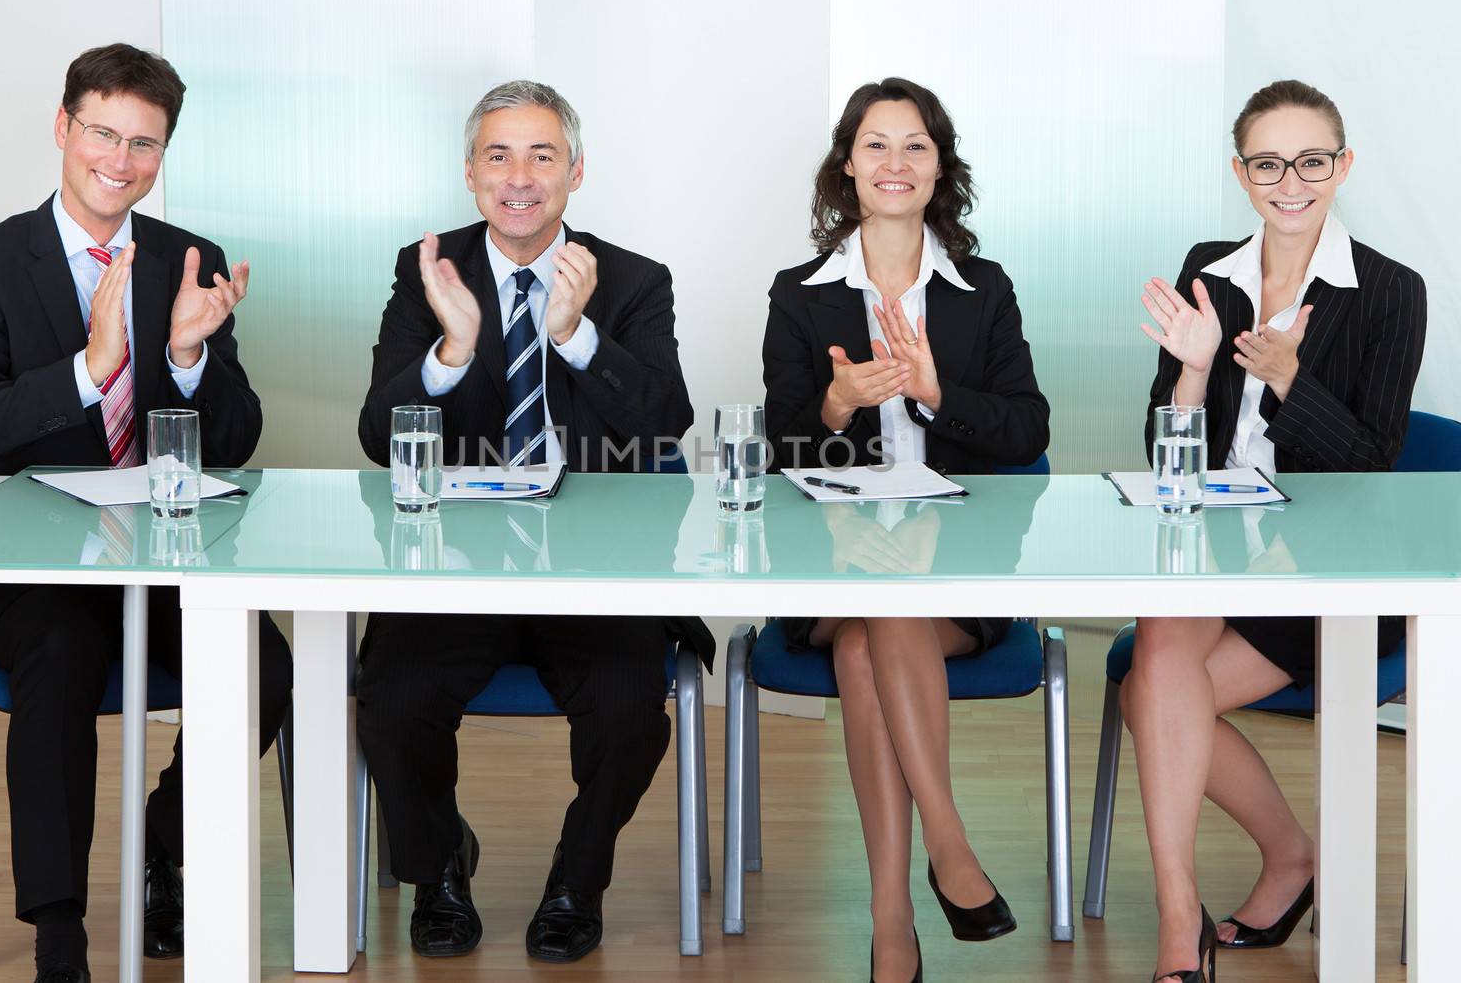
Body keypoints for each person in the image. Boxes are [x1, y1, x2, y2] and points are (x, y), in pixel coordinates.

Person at [0, 43, 294, 983]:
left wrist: (190, 358)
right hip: (24, 568)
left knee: (267, 662)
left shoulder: (184, 258)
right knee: (60, 652)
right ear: (63, 128)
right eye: (103, 133)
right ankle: (59, 934)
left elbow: (237, 436)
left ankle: (159, 838)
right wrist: (92, 369)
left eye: (145, 143)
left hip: (157, 559)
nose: (120, 161)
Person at [355, 79, 709, 963]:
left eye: (542, 155)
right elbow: (375, 434)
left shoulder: (629, 280)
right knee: (392, 698)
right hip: (454, 568)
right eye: (499, 156)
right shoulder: (425, 269)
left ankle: (576, 878)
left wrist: (576, 335)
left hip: (592, 573)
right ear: (470, 174)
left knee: (633, 704)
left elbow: (668, 424)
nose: (520, 177)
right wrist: (453, 350)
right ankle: (437, 870)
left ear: (576, 171)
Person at [1127, 78, 1426, 983]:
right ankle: (1185, 910)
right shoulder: (1209, 269)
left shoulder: (1388, 292)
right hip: (1214, 549)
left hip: (1329, 566)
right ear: (1240, 170)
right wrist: (1192, 374)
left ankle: (1287, 859)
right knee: (1162, 639)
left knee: (1155, 689)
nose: (1289, 180)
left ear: (1341, 166)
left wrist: (1292, 380)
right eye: (1267, 161)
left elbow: (1373, 467)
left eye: (1310, 160)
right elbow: (1162, 450)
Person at [761, 77, 1050, 983]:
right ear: (847, 166)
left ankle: (894, 925)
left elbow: (1027, 430)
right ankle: (949, 849)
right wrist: (839, 405)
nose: (895, 163)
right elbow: (782, 450)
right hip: (830, 564)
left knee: (866, 645)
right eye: (875, 145)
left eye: (915, 145)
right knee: (870, 612)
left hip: (956, 569)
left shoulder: (982, 289)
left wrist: (935, 394)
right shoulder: (801, 294)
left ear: (940, 167)